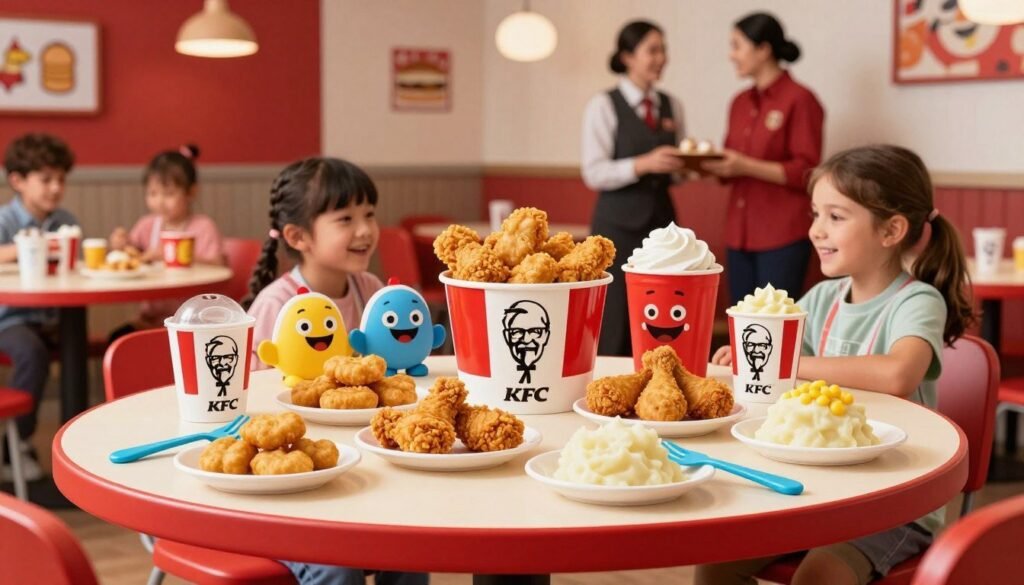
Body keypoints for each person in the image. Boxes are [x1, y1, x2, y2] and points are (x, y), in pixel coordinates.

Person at [702, 145, 975, 585]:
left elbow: (897, 374)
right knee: (716, 562)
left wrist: (787, 361)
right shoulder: (822, 300)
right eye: (815, 214)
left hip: (895, 501)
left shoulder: (917, 301)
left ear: (891, 230)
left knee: (819, 576)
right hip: (821, 490)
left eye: (836, 217)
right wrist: (758, 361)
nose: (815, 231)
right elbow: (780, 384)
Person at [241, 156, 424, 585]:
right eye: (345, 218)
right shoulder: (277, 306)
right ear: (297, 236)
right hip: (292, 487)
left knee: (415, 544)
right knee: (335, 566)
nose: (365, 230)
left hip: (363, 469)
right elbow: (257, 410)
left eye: (370, 214)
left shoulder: (373, 293)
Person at [702, 12, 825, 305]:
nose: (731, 55)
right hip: (738, 233)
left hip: (782, 235)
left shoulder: (800, 99)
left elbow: (806, 172)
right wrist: (703, 163)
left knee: (774, 324)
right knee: (741, 319)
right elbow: (729, 168)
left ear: (763, 49)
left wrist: (744, 165)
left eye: (737, 46)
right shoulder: (739, 102)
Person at [581, 19, 685, 356]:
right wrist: (644, 163)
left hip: (663, 226)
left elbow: (678, 172)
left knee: (661, 309)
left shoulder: (672, 106)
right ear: (627, 56)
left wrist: (691, 167)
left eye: (663, 50)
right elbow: (593, 172)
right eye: (652, 51)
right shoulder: (603, 105)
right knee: (615, 315)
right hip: (617, 227)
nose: (661, 58)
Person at [0, 133, 77, 481]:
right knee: (32, 352)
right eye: (45, 179)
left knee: (94, 346)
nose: (55, 188)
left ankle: (82, 446)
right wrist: (21, 249)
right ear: (18, 180)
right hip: (10, 318)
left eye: (60, 179)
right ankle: (15, 444)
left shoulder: (64, 221)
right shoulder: (6, 222)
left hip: (55, 316)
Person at [108, 145, 226, 340]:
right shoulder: (147, 225)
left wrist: (177, 257)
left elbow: (219, 265)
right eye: (153, 194)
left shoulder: (203, 227)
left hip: (194, 322)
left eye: (169, 194)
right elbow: (133, 254)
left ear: (191, 192)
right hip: (149, 319)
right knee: (118, 339)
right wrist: (122, 245)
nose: (160, 202)